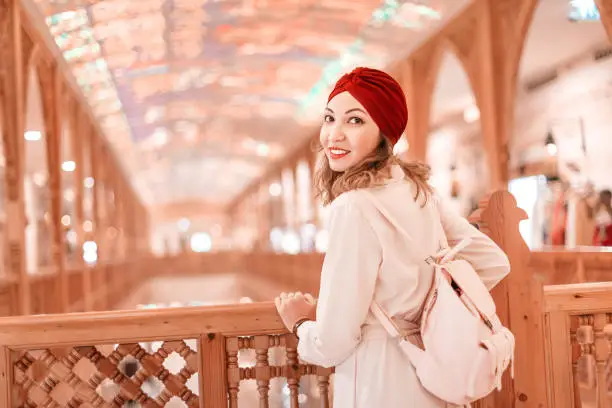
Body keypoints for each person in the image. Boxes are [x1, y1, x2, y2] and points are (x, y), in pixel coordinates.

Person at [274, 67, 510, 407]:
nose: (334, 135)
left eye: (354, 121)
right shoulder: (417, 193)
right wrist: (435, 312)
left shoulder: (352, 207)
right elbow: (493, 261)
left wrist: (299, 323)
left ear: (383, 133)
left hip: (378, 382)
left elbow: (334, 341)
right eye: (330, 118)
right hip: (433, 374)